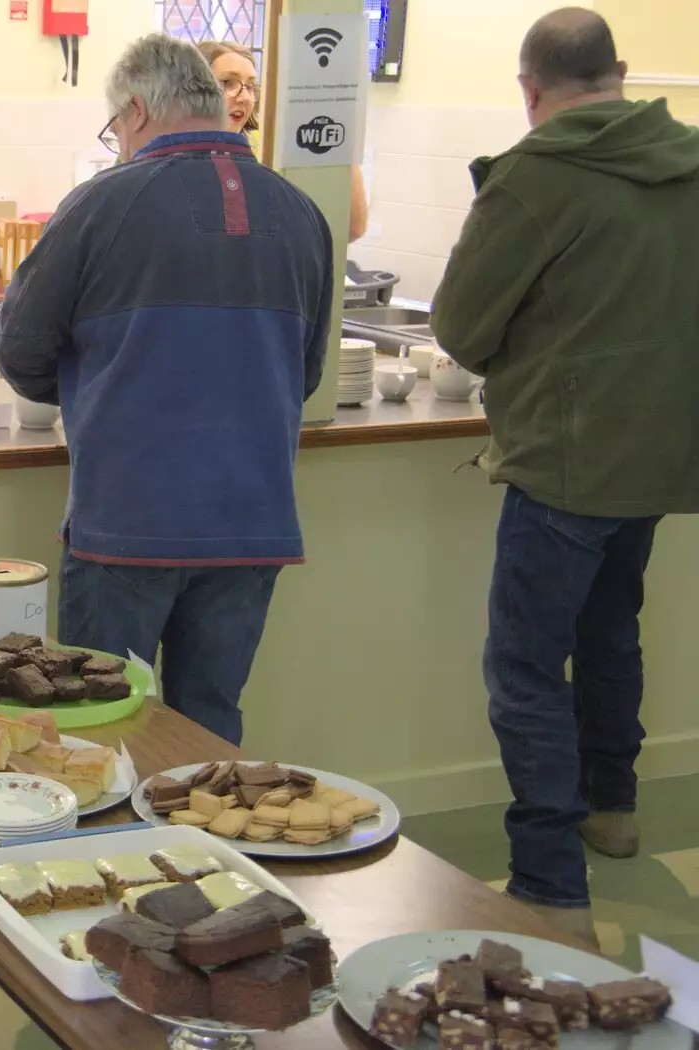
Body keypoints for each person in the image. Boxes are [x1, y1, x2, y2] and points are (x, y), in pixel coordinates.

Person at [431, 7, 699, 945]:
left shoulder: (536, 176)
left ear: (528, 87)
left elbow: (460, 329)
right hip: (666, 453)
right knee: (611, 630)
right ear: (621, 73)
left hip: (566, 459)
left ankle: (549, 880)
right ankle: (613, 808)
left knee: (525, 666)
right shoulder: (690, 159)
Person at [0, 35, 333, 746]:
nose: (116, 140)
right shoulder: (302, 214)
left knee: (101, 728)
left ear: (139, 110)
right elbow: (305, 373)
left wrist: (100, 388)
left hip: (127, 522)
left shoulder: (99, 205)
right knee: (208, 733)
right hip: (253, 523)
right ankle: (206, 855)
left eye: (114, 125)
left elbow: (19, 347)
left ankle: (113, 861)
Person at [197, 39, 370, 242]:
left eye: (251, 86)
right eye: (228, 83)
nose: (244, 97)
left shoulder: (265, 151)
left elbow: (352, 228)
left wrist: (340, 141)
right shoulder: (175, 165)